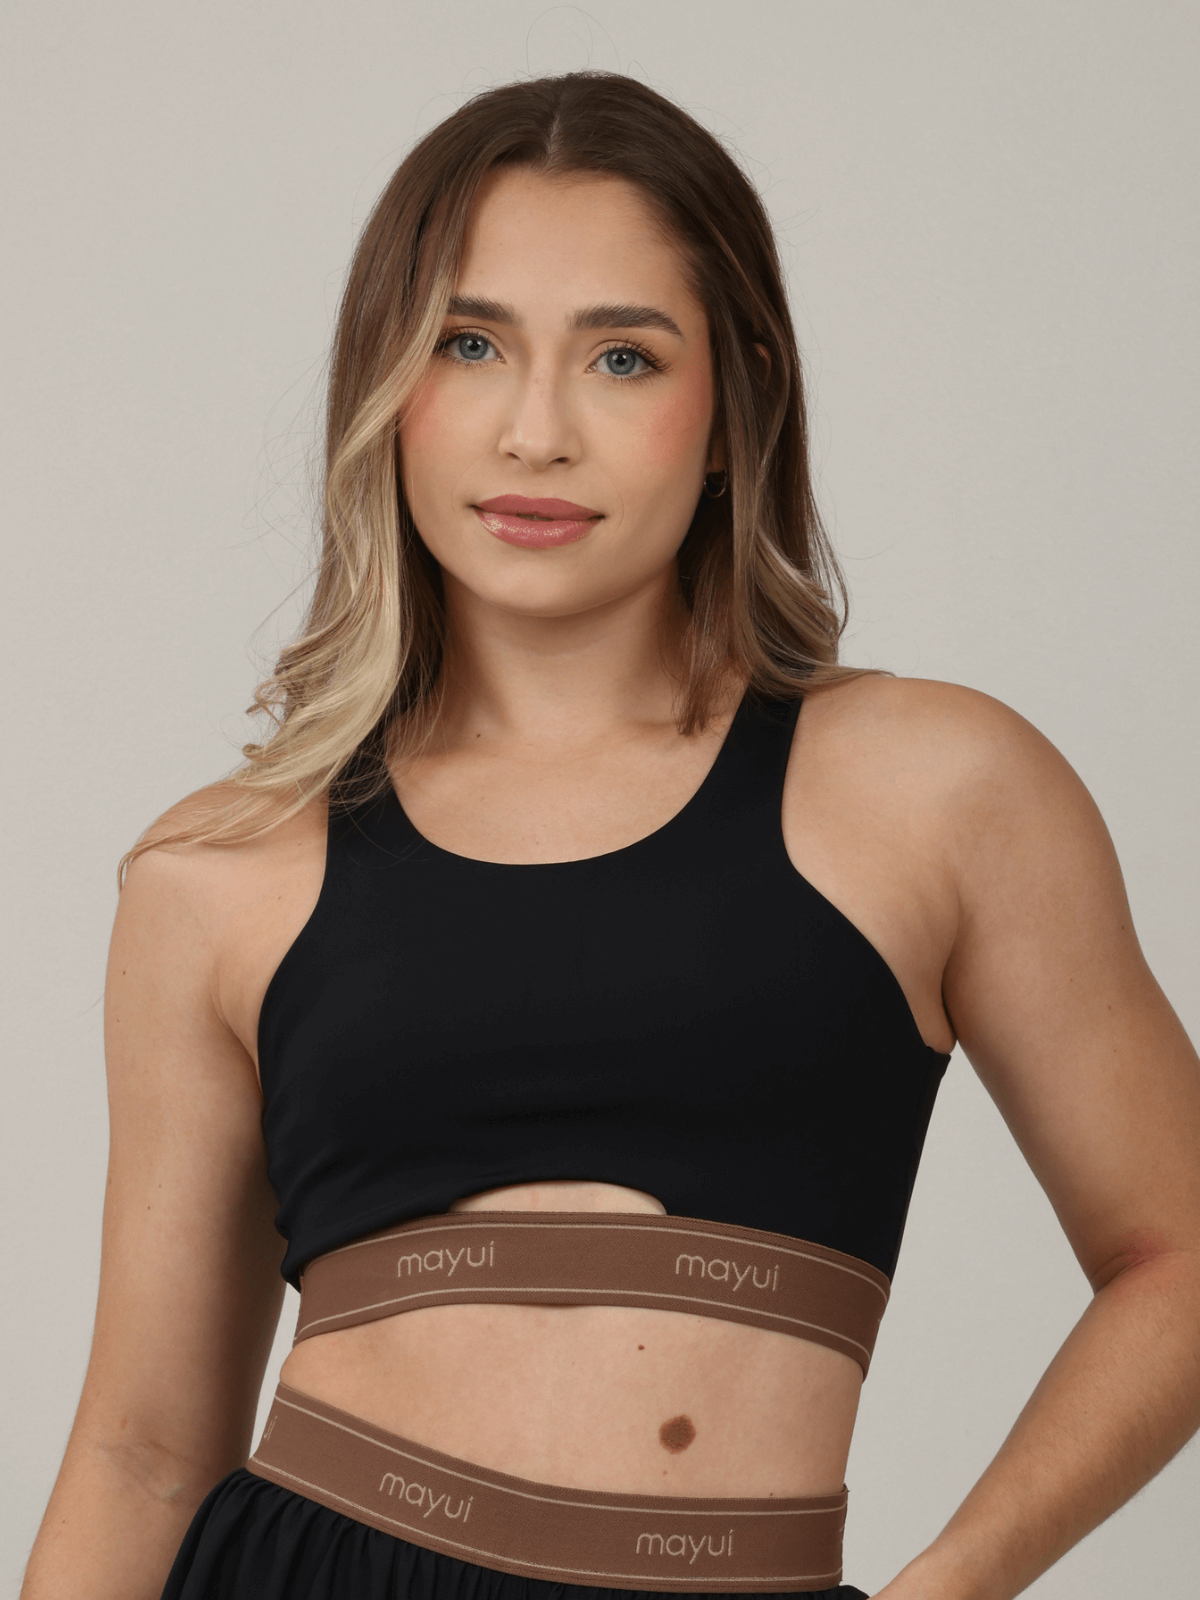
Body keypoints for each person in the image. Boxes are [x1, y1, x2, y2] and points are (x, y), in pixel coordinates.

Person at [19, 70, 1200, 1600]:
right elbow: (142, 1454)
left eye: (623, 357)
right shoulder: (224, 870)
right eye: (468, 344)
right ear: (387, 386)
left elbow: (1180, 1254)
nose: (536, 433)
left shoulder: (940, 791)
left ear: (732, 407)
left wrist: (950, 1585)